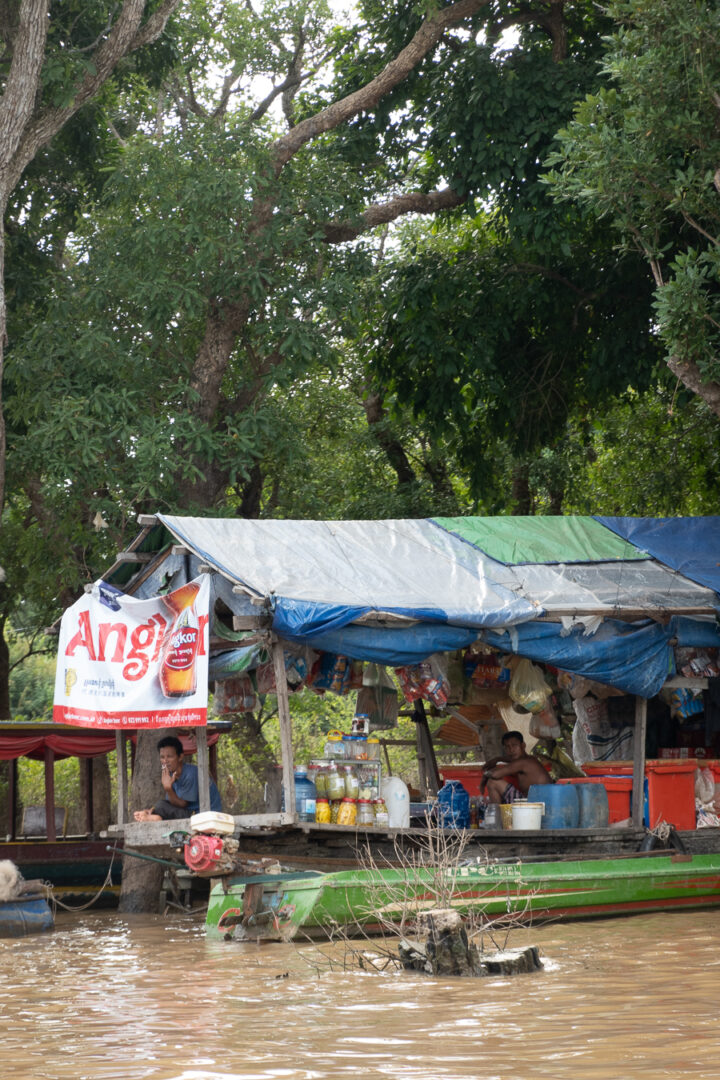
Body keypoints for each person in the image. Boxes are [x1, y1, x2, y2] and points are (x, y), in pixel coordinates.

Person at [133, 735, 222, 821]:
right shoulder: (171, 774)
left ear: (180, 757)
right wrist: (152, 810)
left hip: (204, 815)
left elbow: (182, 804)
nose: (165, 761)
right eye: (162, 757)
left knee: (161, 806)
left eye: (170, 757)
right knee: (160, 805)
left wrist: (168, 788)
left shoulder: (190, 774)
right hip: (190, 812)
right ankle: (152, 816)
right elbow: (172, 803)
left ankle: (156, 818)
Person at [482, 730, 552, 804]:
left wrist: (484, 777)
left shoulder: (523, 762)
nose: (511, 750)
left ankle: (496, 813)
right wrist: (497, 759)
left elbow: (494, 775)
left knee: (492, 782)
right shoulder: (529, 759)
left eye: (514, 745)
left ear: (523, 745)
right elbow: (511, 760)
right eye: (507, 747)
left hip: (534, 805)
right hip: (539, 803)